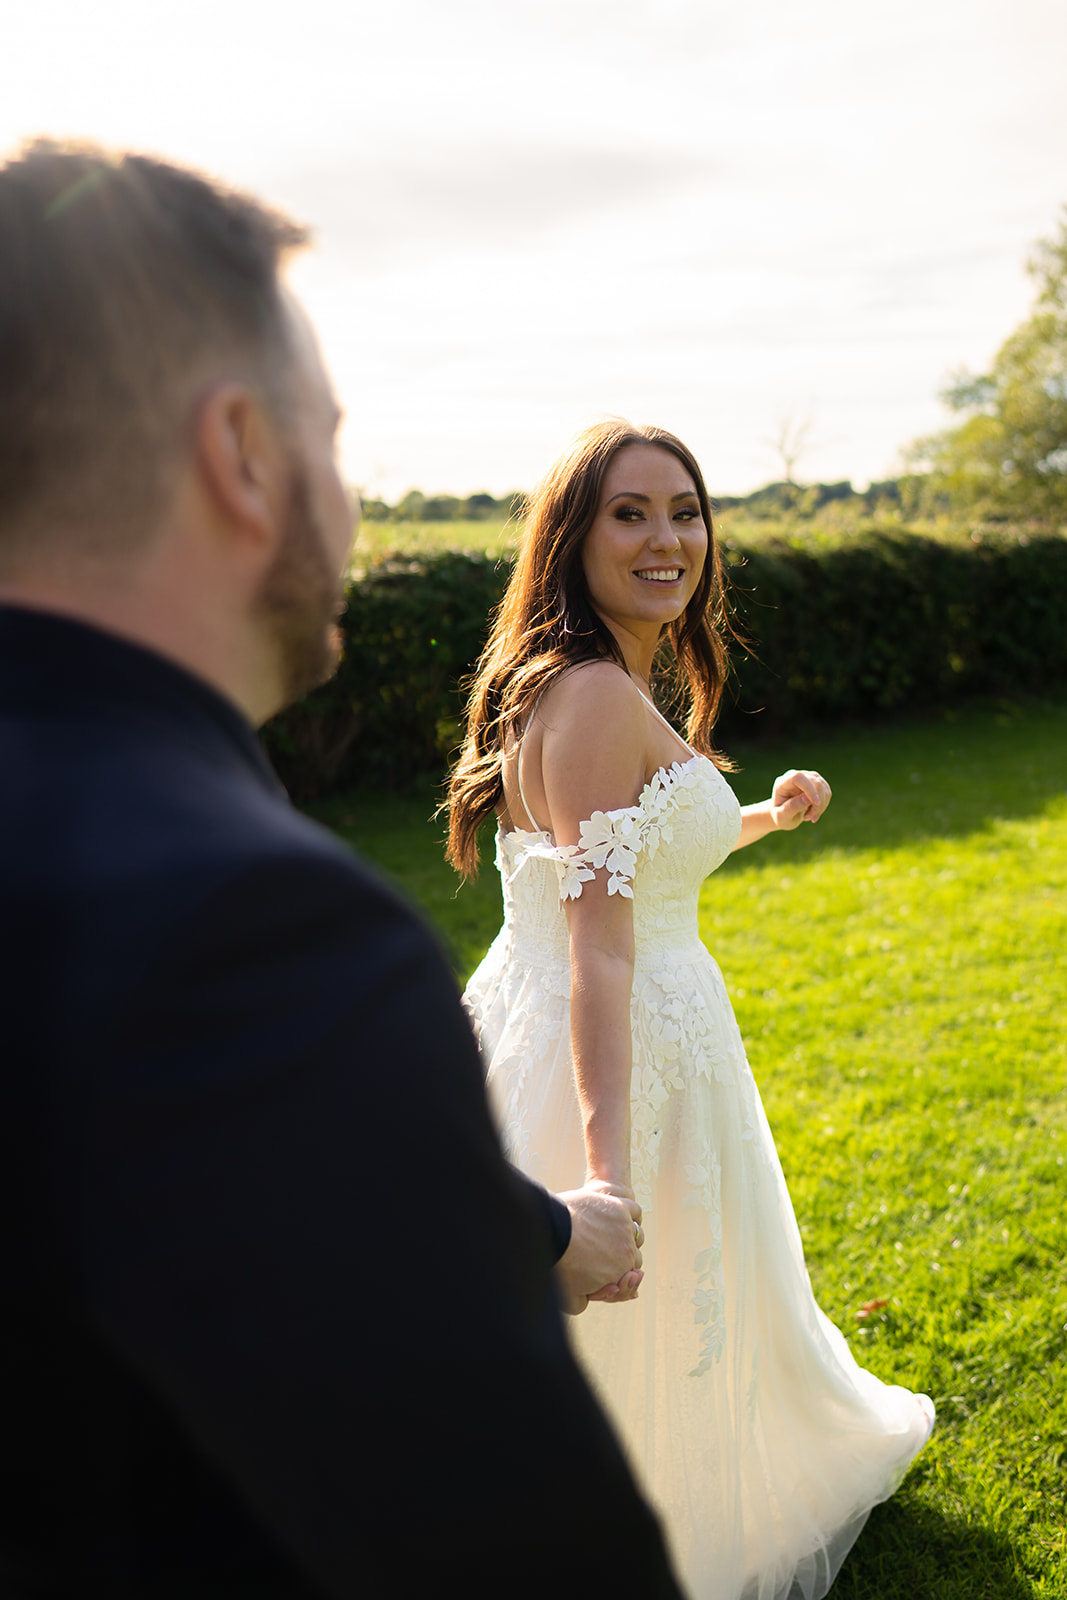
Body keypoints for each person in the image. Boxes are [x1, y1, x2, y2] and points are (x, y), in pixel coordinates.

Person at [0, 142, 684, 1598]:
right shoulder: (245, 926)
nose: (353, 497)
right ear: (242, 454)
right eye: (331, 433)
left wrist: (528, 1223)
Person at [447, 421, 936, 1600]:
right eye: (629, 512)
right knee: (637, 1305)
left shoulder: (559, 680)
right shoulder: (599, 695)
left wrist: (763, 813)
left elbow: (627, 848)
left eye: (683, 509)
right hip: (622, 1043)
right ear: (572, 536)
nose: (666, 537)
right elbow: (601, 951)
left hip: (540, 1016)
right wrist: (600, 1190)